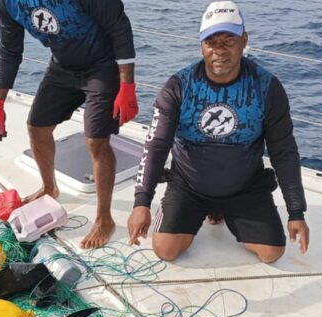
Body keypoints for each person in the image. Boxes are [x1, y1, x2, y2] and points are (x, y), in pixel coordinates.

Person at [127, 1, 309, 263]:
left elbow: (284, 151)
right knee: (164, 250)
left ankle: (226, 210)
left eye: (229, 41)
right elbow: (156, 145)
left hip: (244, 187)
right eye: (211, 42)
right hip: (189, 186)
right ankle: (202, 210)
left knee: (272, 253)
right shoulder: (178, 86)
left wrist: (296, 211)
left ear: (244, 40)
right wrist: (141, 202)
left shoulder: (267, 87)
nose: (219, 51)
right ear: (201, 44)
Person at [0, 0, 139, 248]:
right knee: (36, 127)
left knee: (96, 141)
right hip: (62, 67)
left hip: (102, 66)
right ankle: (49, 188)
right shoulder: (8, 3)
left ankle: (105, 219)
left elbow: (119, 25)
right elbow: (9, 50)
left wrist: (127, 86)